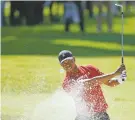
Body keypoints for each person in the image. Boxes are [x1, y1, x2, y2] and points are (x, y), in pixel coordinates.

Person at [58, 50, 127, 120]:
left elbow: (109, 83)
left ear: (74, 59)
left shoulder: (90, 69)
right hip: (83, 117)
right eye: (64, 63)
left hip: (101, 114)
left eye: (69, 61)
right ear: (61, 65)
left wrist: (120, 79)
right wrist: (114, 74)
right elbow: (90, 83)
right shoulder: (67, 83)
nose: (67, 65)